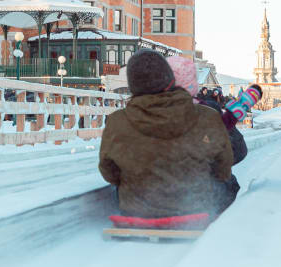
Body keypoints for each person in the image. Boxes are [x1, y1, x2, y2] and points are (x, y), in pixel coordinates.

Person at [99, 49, 237, 220]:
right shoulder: (207, 116)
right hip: (196, 208)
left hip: (137, 210)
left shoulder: (116, 121)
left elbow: (108, 172)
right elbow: (223, 168)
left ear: (133, 85)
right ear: (170, 80)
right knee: (231, 183)